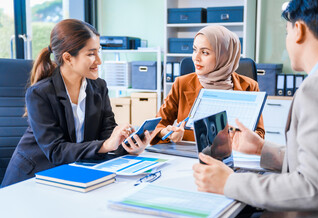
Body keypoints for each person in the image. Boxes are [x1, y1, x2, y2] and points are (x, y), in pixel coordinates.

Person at [193, 0, 318, 218]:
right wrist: (262, 149)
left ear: (299, 30)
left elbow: (313, 188)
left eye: (287, 31)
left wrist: (228, 183)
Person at [1, 19, 151, 187]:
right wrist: (107, 144)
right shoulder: (40, 93)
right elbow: (56, 151)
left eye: (98, 52)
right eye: (91, 54)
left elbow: (106, 135)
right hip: (33, 178)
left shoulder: (98, 87)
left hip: (73, 174)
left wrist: (129, 146)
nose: (99, 61)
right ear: (68, 58)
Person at [150, 25, 264, 145]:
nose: (196, 58)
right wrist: (166, 132)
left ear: (224, 56)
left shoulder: (249, 86)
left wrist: (240, 137)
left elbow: (259, 133)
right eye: (194, 50)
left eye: (205, 52)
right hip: (188, 157)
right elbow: (157, 125)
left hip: (231, 157)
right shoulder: (181, 84)